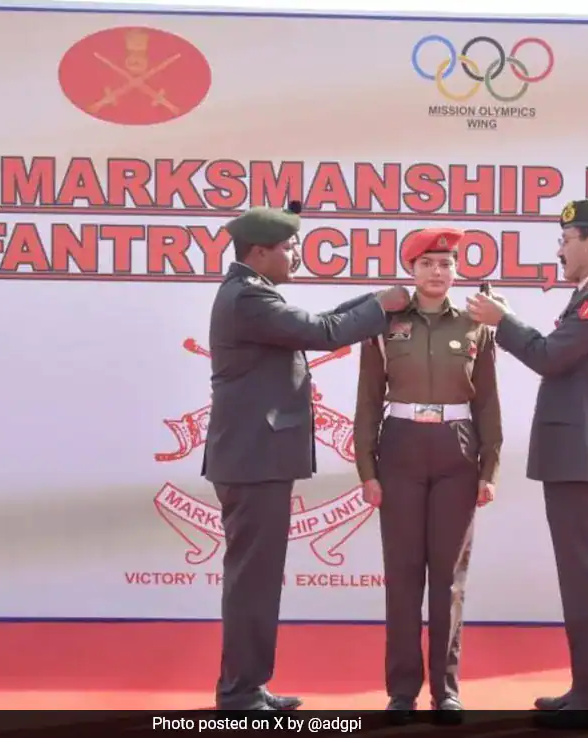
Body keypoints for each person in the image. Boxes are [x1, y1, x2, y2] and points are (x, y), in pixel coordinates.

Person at [203, 200, 412, 711]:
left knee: (256, 579)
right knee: (252, 581)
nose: (296, 255)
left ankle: (249, 685)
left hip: (255, 459)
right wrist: (382, 306)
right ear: (259, 252)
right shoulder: (249, 299)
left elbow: (319, 322)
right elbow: (324, 333)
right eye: (289, 247)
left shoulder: (252, 293)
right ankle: (239, 693)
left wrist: (376, 300)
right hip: (253, 461)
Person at [465, 199, 588, 730]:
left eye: (566, 240)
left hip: (583, 453)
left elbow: (549, 356)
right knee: (580, 577)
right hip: (576, 452)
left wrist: (503, 321)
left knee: (586, 577)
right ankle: (587, 688)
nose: (560, 250)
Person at [353, 228, 503, 721]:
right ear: (411, 270)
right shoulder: (384, 323)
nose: (437, 272)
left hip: (456, 451)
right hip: (400, 448)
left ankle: (446, 690)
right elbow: (368, 401)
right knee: (402, 576)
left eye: (446, 263)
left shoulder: (477, 323)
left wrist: (489, 467)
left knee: (449, 579)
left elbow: (488, 403)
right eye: (427, 264)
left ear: (456, 270)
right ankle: (401, 691)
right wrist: (367, 469)